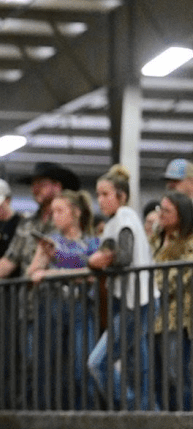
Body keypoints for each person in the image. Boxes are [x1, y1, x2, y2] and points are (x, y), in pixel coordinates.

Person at [85, 165, 155, 410]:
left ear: (121, 196)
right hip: (134, 298)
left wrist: (99, 260)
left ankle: (132, 405)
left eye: (106, 194)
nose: (100, 200)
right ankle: (146, 412)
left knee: (98, 362)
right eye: (98, 194)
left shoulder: (124, 216)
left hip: (135, 300)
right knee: (139, 363)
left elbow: (123, 257)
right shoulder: (120, 219)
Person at [27, 189, 100, 409]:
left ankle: (86, 415)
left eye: (60, 211)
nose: (55, 216)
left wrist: (52, 274)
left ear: (76, 213)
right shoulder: (50, 243)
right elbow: (33, 273)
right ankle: (49, 415)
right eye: (53, 212)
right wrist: (46, 261)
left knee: (82, 366)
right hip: (52, 306)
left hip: (82, 307)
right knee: (48, 365)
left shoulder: (92, 243)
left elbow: (92, 276)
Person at [0, 163, 81, 280]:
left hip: (60, 290)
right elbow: (10, 260)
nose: (35, 189)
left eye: (41, 184)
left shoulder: (72, 220)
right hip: (30, 294)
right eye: (33, 184)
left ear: (57, 186)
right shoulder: (26, 224)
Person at [149, 192, 193, 411]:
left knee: (177, 374)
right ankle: (164, 422)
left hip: (177, 319)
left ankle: (185, 421)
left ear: (181, 215)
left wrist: (149, 284)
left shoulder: (189, 242)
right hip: (153, 318)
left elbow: (178, 278)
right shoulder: (155, 239)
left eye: (167, 211)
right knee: (156, 376)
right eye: (160, 209)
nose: (161, 215)